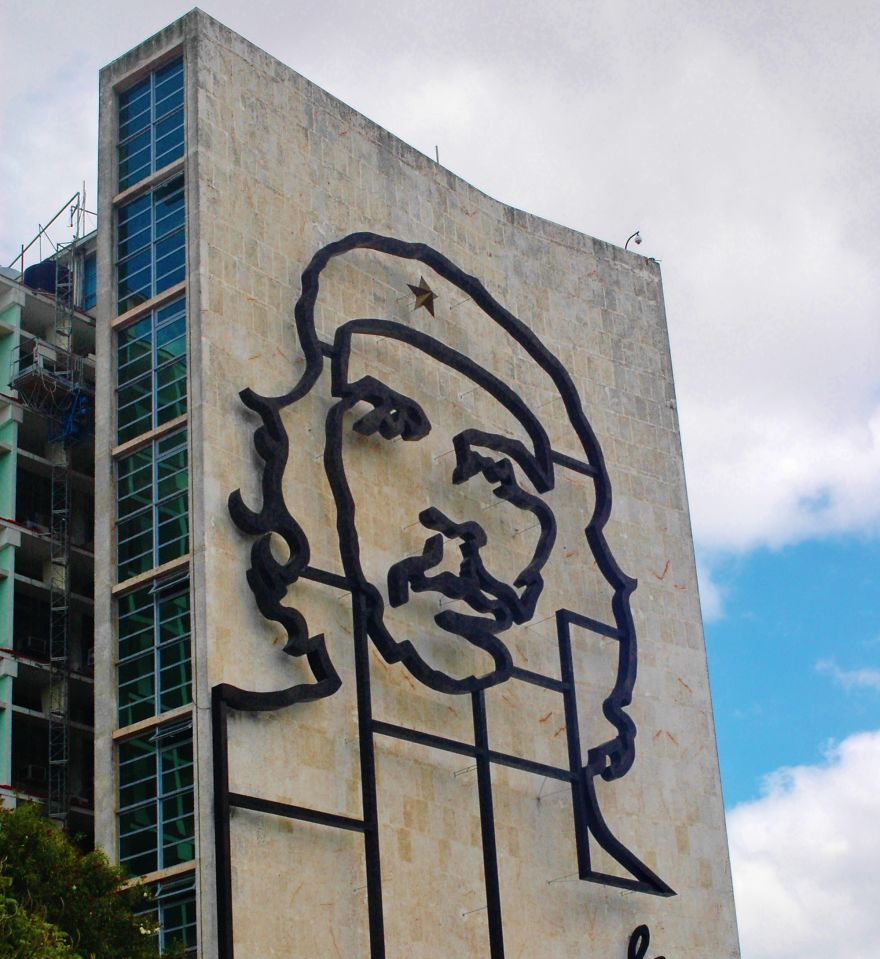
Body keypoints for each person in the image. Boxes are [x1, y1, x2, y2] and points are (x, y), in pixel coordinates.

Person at [228, 232, 671, 897]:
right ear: (291, 459)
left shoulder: (587, 841)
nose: (452, 519)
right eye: (389, 425)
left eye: (498, 476)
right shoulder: (249, 770)